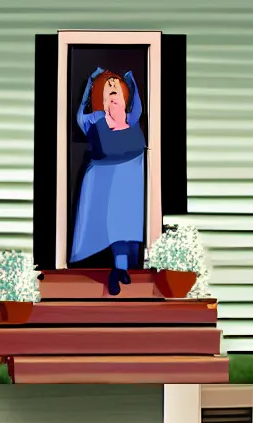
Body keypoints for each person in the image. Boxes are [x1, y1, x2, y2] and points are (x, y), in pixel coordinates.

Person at [70, 67, 146, 296]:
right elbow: (79, 116)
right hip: (105, 181)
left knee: (126, 228)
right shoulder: (94, 119)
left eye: (116, 87)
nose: (113, 89)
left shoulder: (131, 120)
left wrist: (131, 81)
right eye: (108, 87)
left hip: (130, 180)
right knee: (110, 226)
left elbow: (138, 104)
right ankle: (114, 270)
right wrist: (91, 81)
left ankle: (121, 269)